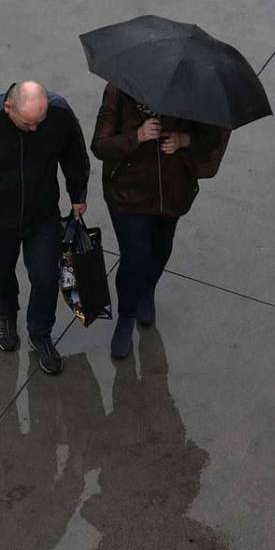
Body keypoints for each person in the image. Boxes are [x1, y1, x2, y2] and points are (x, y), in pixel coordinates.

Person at [0, 81, 90, 375]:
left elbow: (75, 154)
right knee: (0, 270)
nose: (35, 129)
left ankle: (41, 332)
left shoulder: (59, 113)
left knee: (45, 277)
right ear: (8, 108)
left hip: (43, 217)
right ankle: (6, 314)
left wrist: (78, 195)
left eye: (40, 122)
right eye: (28, 123)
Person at [91, 83, 229, 359]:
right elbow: (100, 146)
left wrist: (184, 139)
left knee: (160, 249)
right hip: (127, 194)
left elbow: (213, 137)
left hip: (172, 191)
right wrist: (138, 136)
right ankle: (126, 316)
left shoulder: (195, 94)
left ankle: (147, 290)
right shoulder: (118, 91)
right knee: (133, 257)